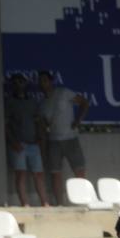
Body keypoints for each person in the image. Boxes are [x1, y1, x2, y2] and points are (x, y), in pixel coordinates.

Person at [38, 69, 89, 205]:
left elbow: (84, 102)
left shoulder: (63, 92)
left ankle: (82, 201)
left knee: (79, 171)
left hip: (71, 138)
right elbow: (43, 127)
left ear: (50, 81)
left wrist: (78, 120)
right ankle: (60, 204)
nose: (43, 84)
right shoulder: (42, 104)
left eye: (45, 80)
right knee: (55, 174)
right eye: (40, 81)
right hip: (53, 141)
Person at [4, 74, 49, 207]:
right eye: (16, 82)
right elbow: (5, 124)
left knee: (39, 174)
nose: (19, 84)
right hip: (18, 144)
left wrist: (41, 139)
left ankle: (45, 203)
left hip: (33, 144)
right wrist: (13, 142)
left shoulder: (32, 102)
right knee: (21, 174)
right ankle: (25, 204)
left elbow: (38, 121)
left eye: (22, 82)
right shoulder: (9, 102)